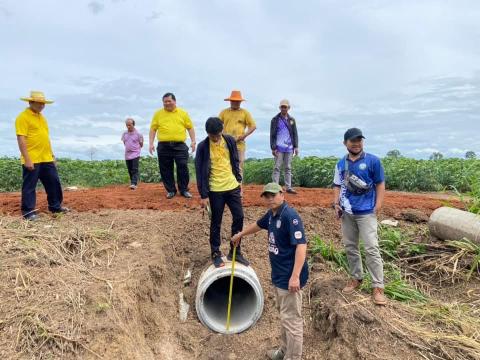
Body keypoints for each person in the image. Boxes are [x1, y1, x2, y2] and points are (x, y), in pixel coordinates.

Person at [232, 183, 308, 360]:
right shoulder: (271, 215)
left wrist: (295, 277)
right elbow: (258, 225)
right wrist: (240, 235)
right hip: (279, 276)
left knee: (292, 321)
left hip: (290, 278)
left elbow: (301, 246)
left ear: (282, 194)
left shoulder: (290, 216)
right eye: (267, 196)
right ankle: (283, 352)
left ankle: (293, 357)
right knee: (285, 317)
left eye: (273, 195)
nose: (270, 198)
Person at [333, 128, 387, 305]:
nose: (356, 143)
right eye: (352, 141)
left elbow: (380, 184)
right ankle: (356, 278)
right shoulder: (341, 164)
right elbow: (337, 184)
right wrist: (335, 203)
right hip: (347, 212)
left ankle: (378, 287)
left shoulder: (373, 161)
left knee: (371, 248)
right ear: (345, 143)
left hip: (366, 212)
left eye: (359, 140)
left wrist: (378, 205)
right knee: (350, 246)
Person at [195, 117, 249, 267]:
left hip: (232, 186)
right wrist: (203, 195)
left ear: (222, 130)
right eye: (213, 136)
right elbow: (200, 172)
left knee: (239, 217)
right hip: (215, 190)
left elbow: (235, 160)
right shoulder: (203, 147)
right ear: (207, 133)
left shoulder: (229, 141)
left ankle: (235, 252)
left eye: (218, 134)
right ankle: (215, 253)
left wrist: (238, 180)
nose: (217, 138)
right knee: (216, 222)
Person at [15, 91, 69, 221]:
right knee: (29, 186)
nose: (41, 105)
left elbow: (46, 138)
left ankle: (55, 207)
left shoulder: (42, 118)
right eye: (39, 103)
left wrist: (52, 155)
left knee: (54, 182)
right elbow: (21, 139)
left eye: (43, 103)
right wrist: (27, 158)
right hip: (32, 158)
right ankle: (28, 213)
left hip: (46, 158)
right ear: (30, 102)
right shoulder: (23, 117)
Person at [149, 92, 196, 199]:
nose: (167, 103)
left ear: (174, 101)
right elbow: (153, 129)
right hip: (163, 146)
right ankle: (171, 190)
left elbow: (190, 127)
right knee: (165, 168)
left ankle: (183, 189)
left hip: (180, 145)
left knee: (183, 166)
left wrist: (193, 141)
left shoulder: (183, 113)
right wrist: (151, 143)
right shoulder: (158, 114)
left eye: (169, 101)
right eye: (165, 102)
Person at [219, 90, 256, 176]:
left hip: (239, 143)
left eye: (237, 101)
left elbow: (253, 126)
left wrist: (244, 136)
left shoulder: (245, 113)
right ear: (230, 101)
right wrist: (221, 136)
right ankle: (227, 187)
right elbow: (218, 124)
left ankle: (238, 188)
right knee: (226, 165)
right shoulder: (224, 112)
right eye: (234, 101)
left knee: (239, 164)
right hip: (226, 143)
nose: (235, 103)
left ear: (240, 102)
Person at [270, 99, 299, 194]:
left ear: (288, 108)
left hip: (289, 148)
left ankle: (288, 187)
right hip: (278, 147)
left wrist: (296, 146)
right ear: (280, 108)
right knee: (277, 167)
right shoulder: (275, 120)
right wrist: (273, 147)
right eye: (282, 107)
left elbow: (295, 133)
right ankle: (275, 187)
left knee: (288, 167)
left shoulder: (292, 120)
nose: (283, 108)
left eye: (285, 107)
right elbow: (272, 135)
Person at [121, 117, 144, 190]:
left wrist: (136, 149)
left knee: (134, 169)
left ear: (133, 125)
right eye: (127, 125)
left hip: (135, 154)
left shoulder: (138, 134)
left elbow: (141, 144)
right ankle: (132, 182)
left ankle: (134, 183)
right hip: (127, 154)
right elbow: (124, 142)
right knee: (129, 169)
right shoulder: (124, 134)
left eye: (129, 125)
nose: (128, 127)